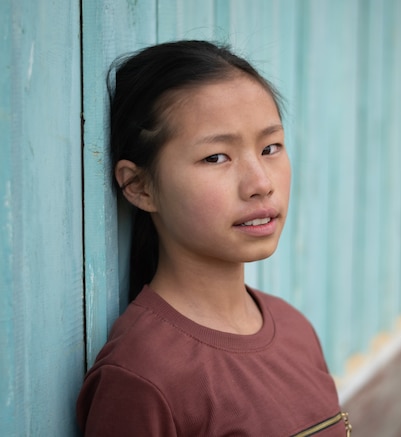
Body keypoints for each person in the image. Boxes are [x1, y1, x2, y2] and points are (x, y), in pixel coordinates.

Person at [76, 40, 350, 436]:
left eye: (270, 148)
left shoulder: (295, 330)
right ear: (139, 187)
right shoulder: (143, 377)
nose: (261, 183)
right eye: (216, 157)